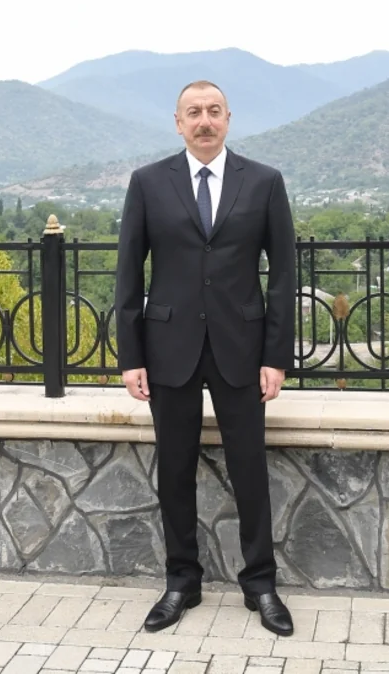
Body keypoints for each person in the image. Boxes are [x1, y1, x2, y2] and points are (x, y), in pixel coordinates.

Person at [114, 80, 296, 636]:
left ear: (228, 118)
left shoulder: (264, 182)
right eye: (193, 112)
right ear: (178, 122)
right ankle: (181, 582)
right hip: (168, 349)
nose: (204, 121)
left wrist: (276, 356)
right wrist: (130, 356)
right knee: (174, 470)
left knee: (249, 470)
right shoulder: (148, 183)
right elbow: (128, 273)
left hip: (243, 349)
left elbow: (283, 275)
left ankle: (260, 584)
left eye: (214, 111)